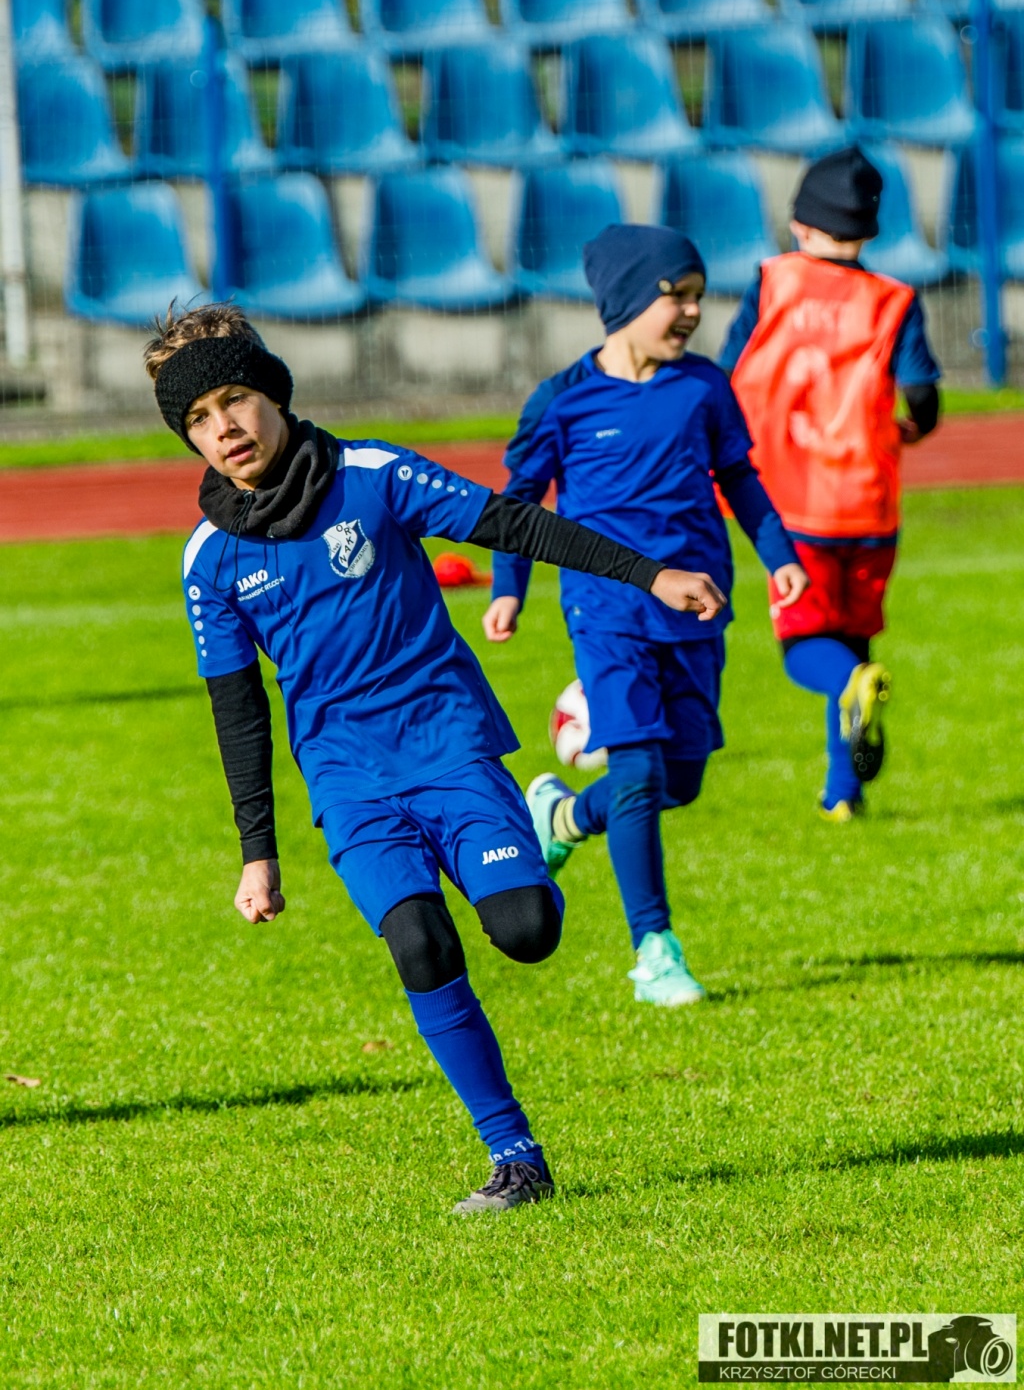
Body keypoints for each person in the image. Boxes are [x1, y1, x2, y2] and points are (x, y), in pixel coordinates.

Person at [146, 302, 728, 1213]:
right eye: (197, 419)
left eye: (234, 400)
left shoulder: (374, 477)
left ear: (274, 396)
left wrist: (650, 573)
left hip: (448, 744)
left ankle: (541, 824)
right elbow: (238, 710)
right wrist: (258, 853)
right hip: (348, 778)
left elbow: (513, 524)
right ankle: (515, 1156)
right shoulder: (210, 559)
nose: (223, 427)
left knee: (527, 932)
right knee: (418, 943)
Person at [483, 226, 808, 1006]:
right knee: (635, 772)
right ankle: (654, 951)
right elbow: (518, 506)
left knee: (681, 780)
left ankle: (562, 817)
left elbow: (740, 478)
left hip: (698, 611)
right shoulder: (563, 400)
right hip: (606, 613)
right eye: (676, 296)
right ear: (626, 300)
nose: (692, 310)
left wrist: (779, 555)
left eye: (698, 295)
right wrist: (508, 587)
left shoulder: (704, 388)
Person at [719, 146, 941, 821]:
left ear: (800, 224)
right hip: (869, 504)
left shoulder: (771, 283)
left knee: (805, 648)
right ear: (867, 231)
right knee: (854, 644)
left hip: (793, 501)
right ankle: (843, 794)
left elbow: (726, 371)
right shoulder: (894, 300)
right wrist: (913, 427)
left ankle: (850, 692)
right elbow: (922, 395)